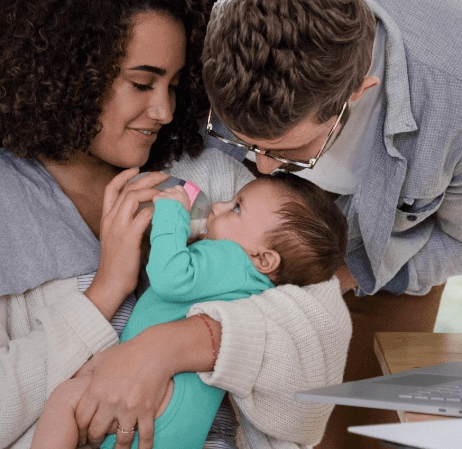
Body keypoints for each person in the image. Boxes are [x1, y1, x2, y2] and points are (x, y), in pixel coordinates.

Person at [0, 0, 351, 448]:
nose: (165, 110)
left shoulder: (204, 179)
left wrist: (166, 349)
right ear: (68, 74)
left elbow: (321, 334)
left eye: (174, 85)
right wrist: (104, 291)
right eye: (141, 83)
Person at [198, 0, 462, 446]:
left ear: (359, 90)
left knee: (357, 432)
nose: (264, 169)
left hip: (389, 250)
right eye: (243, 142)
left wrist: (342, 278)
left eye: (291, 152)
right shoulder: (228, 9)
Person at [31, 173, 348, 449]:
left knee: (64, 401)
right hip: (184, 418)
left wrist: (172, 213)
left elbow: (170, 278)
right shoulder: (252, 283)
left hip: (162, 401)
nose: (219, 206)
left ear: (264, 259)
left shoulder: (229, 257)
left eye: (236, 208)